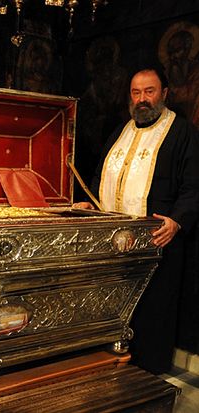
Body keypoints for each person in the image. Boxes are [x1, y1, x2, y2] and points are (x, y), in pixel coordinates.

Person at [74, 67, 199, 374]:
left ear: (164, 93)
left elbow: (193, 185)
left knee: (152, 311)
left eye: (149, 91)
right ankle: (111, 365)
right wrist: (92, 202)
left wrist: (177, 220)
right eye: (136, 92)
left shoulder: (182, 132)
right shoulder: (121, 131)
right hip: (114, 244)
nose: (142, 99)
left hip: (159, 240)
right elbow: (102, 175)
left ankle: (145, 373)